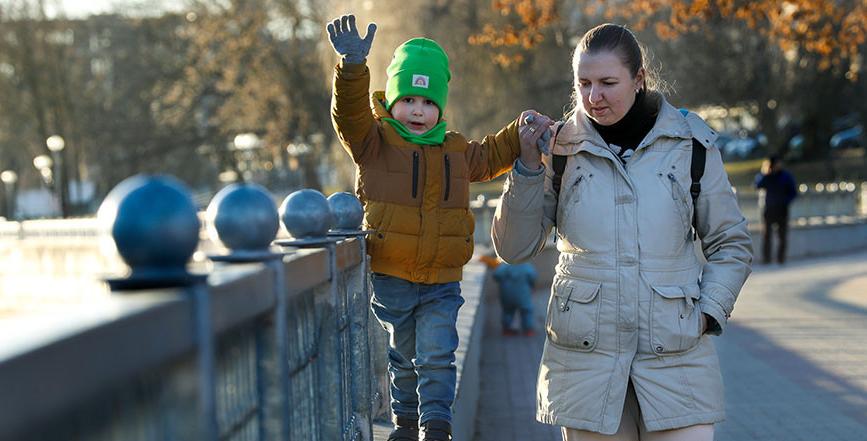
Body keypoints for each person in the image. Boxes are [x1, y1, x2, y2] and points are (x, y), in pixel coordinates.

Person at [491, 23, 753, 441]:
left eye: (608, 83)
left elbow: (731, 243)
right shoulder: (559, 149)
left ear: (639, 78)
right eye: (584, 84)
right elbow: (513, 248)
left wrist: (707, 312)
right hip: (586, 364)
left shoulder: (690, 145)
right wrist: (525, 168)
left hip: (676, 359)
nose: (594, 96)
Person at [326, 14, 553, 441]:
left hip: (441, 281)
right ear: (393, 100)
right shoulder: (374, 143)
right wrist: (353, 67)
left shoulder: (455, 150)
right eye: (409, 99)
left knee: (436, 352)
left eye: (429, 103)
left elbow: (491, 156)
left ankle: (436, 425)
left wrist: (518, 134)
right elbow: (349, 116)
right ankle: (406, 423)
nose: (418, 110)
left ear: (440, 108)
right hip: (392, 275)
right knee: (403, 357)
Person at [755, 155, 797, 264]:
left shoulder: (786, 176)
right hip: (768, 210)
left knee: (782, 236)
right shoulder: (765, 176)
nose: (778, 166)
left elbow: (793, 192)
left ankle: (781, 259)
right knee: (766, 236)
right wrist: (765, 173)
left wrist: (785, 201)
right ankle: (766, 259)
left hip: (782, 210)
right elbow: (757, 185)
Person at [492, 258, 538, 336]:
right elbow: (533, 277)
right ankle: (528, 330)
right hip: (523, 294)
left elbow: (496, 275)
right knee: (526, 311)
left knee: (508, 311)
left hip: (507, 294)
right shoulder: (526, 265)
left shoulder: (505, 265)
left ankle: (507, 329)